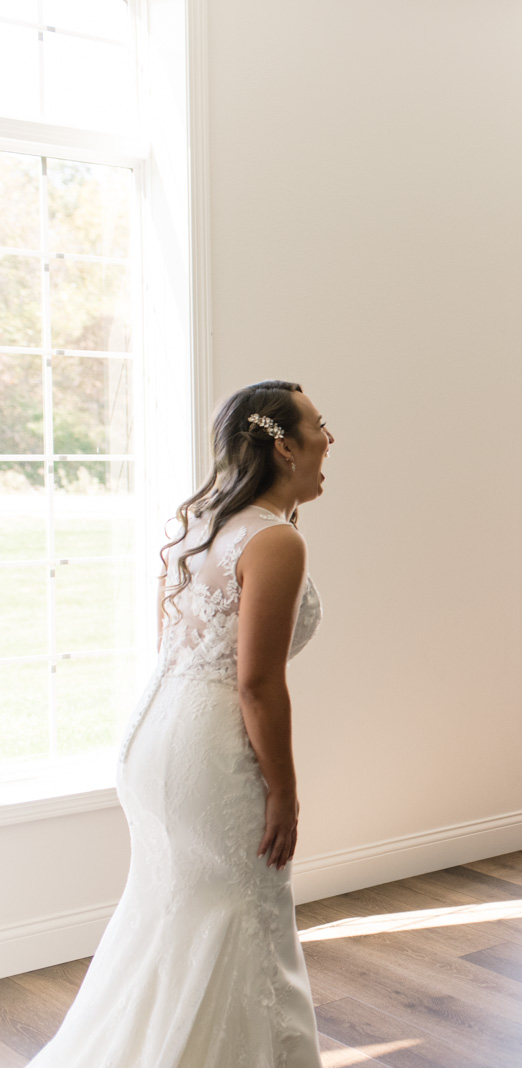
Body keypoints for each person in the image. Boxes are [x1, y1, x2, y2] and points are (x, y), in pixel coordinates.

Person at [29, 381, 331, 1068]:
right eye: (320, 425)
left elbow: (175, 647)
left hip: (155, 734)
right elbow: (256, 684)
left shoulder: (197, 523)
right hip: (212, 755)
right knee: (243, 913)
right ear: (285, 446)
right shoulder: (275, 540)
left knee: (168, 913)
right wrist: (284, 790)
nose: (329, 440)